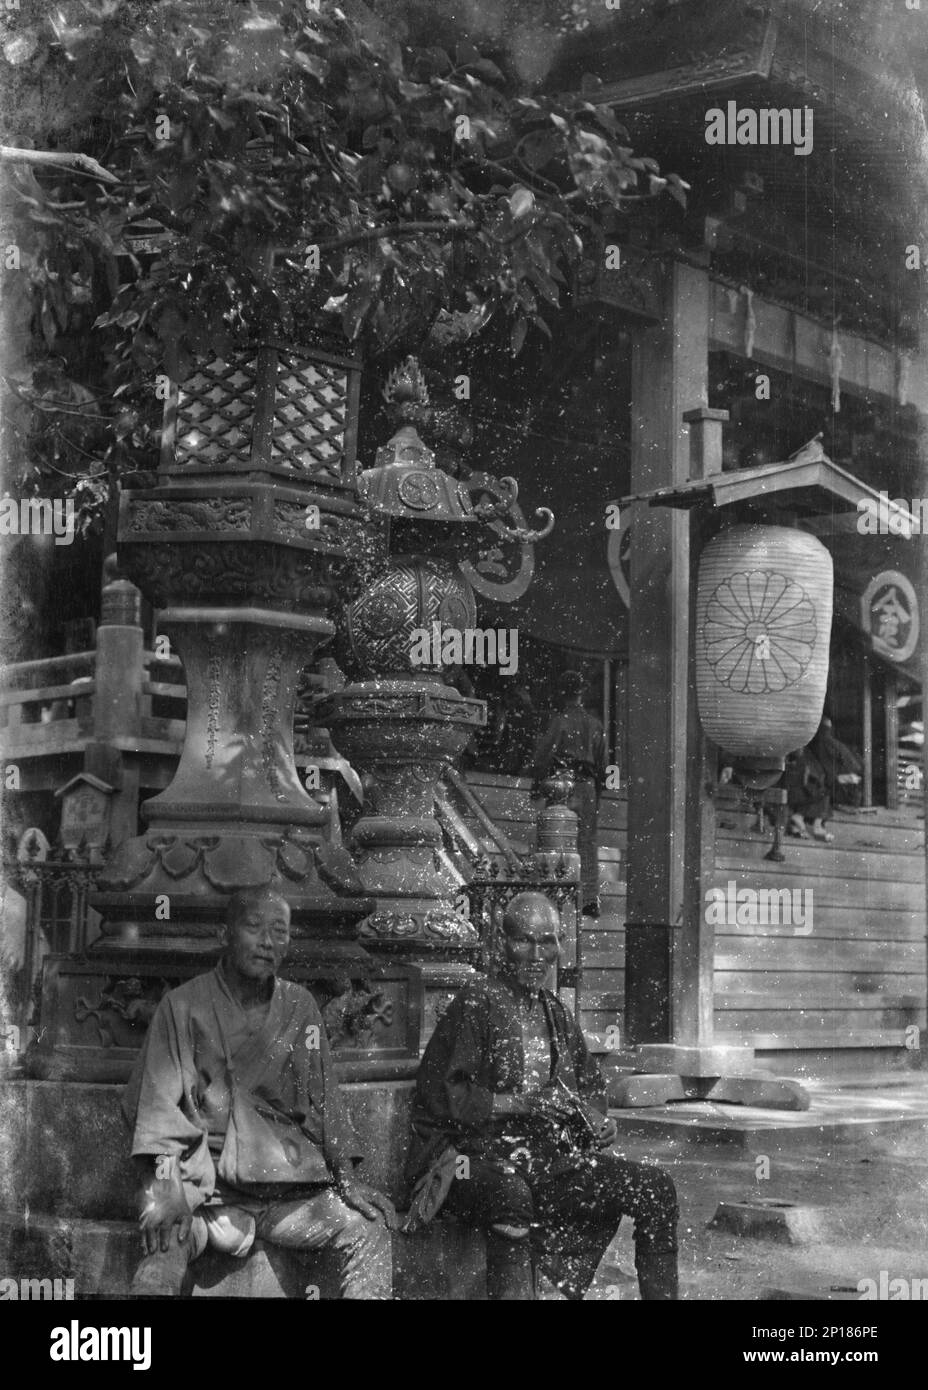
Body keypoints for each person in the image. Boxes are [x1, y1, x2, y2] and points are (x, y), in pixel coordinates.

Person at [123, 886, 396, 1299]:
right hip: (204, 1192)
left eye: (279, 932)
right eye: (254, 928)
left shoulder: (299, 1007)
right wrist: (166, 1191)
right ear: (225, 934)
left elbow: (325, 1099)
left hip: (282, 1190)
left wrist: (347, 1179)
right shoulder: (181, 1007)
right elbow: (156, 1110)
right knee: (162, 1253)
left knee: (368, 1232)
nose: (267, 942)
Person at [405, 892, 679, 1301]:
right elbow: (442, 1094)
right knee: (511, 1192)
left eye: (547, 941)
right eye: (524, 941)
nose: (536, 954)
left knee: (655, 1188)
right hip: (469, 1161)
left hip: (544, 1159)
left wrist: (597, 1121)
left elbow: (589, 1088)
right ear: (502, 942)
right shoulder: (476, 1002)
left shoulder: (554, 1011)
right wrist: (518, 1103)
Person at [531, 671, 606, 915]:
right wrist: (602, 788)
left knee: (556, 839)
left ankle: (557, 893)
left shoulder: (559, 721)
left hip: (561, 783)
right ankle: (589, 899)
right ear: (581, 693)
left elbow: (543, 755)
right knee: (587, 842)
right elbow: (606, 763)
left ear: (562, 694)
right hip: (587, 786)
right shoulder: (596, 725)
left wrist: (537, 781)